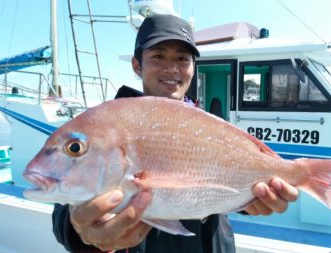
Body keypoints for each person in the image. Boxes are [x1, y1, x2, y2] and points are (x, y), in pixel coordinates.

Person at [52, 14, 299, 253]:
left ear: (193, 67)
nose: (172, 69)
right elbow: (65, 204)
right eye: (158, 56)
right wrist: (79, 230)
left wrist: (252, 200)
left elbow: (222, 184)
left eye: (182, 59)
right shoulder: (108, 126)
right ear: (137, 65)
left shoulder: (210, 126)